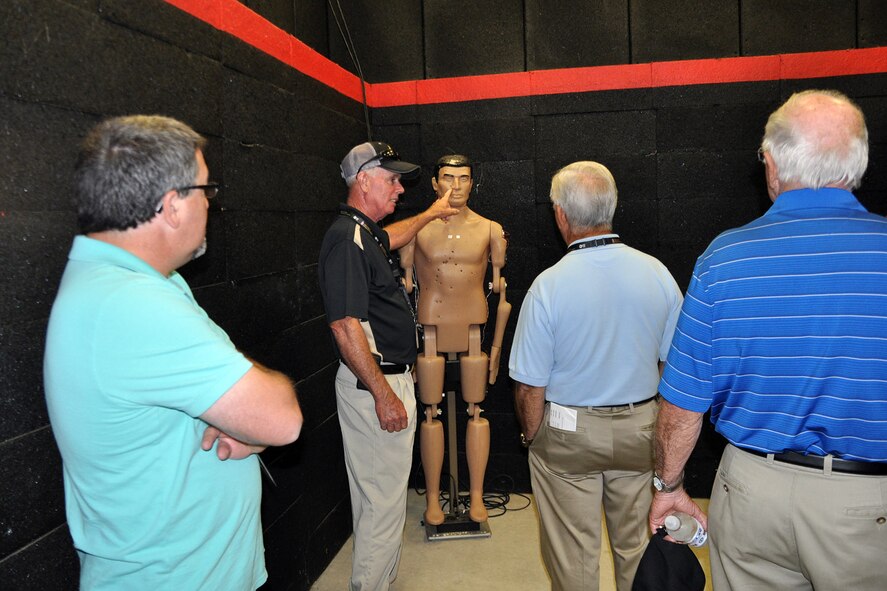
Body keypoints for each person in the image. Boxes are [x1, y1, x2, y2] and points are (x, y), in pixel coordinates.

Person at [44, 115, 303, 590]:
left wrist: (247, 417)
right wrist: (256, 413)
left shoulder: (141, 285)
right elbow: (281, 417)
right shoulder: (133, 305)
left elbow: (247, 413)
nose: (211, 204)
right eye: (205, 190)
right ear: (171, 206)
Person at [652, 89, 887, 590]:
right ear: (856, 166)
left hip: (750, 491)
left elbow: (680, 408)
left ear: (774, 165)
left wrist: (668, 485)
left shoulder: (724, 259)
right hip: (868, 501)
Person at [509, 161, 683, 591]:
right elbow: (672, 366)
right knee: (639, 547)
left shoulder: (547, 287)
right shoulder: (658, 274)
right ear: (612, 207)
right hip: (641, 429)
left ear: (561, 215)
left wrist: (532, 437)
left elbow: (530, 386)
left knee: (573, 558)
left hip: (568, 435)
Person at [318, 141, 458, 591]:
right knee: (381, 505)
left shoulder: (364, 231)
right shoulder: (346, 239)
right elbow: (344, 325)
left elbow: (394, 236)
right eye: (392, 179)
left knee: (382, 501)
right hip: (374, 387)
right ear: (363, 180)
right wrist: (382, 392)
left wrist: (433, 214)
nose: (400, 188)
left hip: (384, 381)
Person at [399, 154, 511, 525]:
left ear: (472, 182)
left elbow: (502, 294)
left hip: (473, 327)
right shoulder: (415, 230)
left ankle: (476, 496)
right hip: (430, 326)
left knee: (476, 412)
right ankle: (433, 500)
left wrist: (495, 352)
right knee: (431, 414)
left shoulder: (490, 230)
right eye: (448, 177)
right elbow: (405, 291)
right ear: (435, 183)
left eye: (464, 178)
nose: (456, 185)